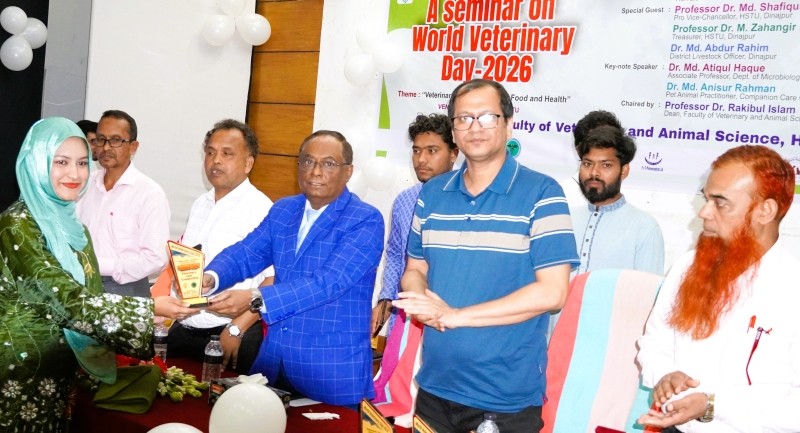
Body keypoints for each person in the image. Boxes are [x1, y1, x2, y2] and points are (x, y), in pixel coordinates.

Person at [394, 79, 579, 433]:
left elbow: (553, 293)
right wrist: (421, 301)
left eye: (487, 117)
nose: (474, 127)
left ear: (508, 123)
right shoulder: (432, 194)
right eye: (464, 118)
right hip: (435, 386)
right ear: (453, 130)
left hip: (504, 398)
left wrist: (455, 316)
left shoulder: (543, 193)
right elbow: (415, 267)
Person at [0, 117, 196, 432]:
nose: (75, 173)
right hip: (20, 373)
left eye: (81, 162)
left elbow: (88, 291)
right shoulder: (18, 224)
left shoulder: (71, 226)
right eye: (60, 162)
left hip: (62, 368)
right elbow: (65, 300)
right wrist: (148, 310)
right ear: (36, 162)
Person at [200, 130, 384, 406]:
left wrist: (254, 299)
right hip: (273, 362)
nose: (315, 171)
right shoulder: (284, 209)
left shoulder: (365, 219)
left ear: (348, 172)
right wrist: (211, 277)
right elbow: (247, 252)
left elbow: (328, 283)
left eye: (328, 163)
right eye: (307, 161)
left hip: (330, 370)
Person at [636, 145, 800, 432]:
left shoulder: (792, 286)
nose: (704, 213)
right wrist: (666, 375)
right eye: (706, 199)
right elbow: (654, 342)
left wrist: (712, 404)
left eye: (720, 203)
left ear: (765, 211)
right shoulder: (687, 266)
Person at [167, 119, 274, 374]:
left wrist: (237, 327)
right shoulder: (200, 204)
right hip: (187, 324)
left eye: (227, 154)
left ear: (248, 163)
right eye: (210, 152)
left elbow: (272, 279)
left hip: (230, 333)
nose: (215, 161)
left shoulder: (262, 209)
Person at [371, 113, 458, 337]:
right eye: (417, 151)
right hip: (406, 318)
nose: (421, 159)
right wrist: (386, 299)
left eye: (432, 151)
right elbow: (395, 253)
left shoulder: (468, 202)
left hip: (450, 318)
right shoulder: (404, 201)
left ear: (454, 153)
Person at [76, 110, 170, 297]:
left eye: (116, 140)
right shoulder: (84, 185)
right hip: (81, 284)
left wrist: (101, 264)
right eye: (101, 139)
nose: (106, 147)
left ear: (133, 147)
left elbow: (156, 258)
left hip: (126, 290)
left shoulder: (149, 193)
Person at [571, 124, 664, 274]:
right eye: (587, 164)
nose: (594, 173)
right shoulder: (565, 219)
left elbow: (648, 287)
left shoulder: (645, 227)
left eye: (606, 165)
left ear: (624, 171)